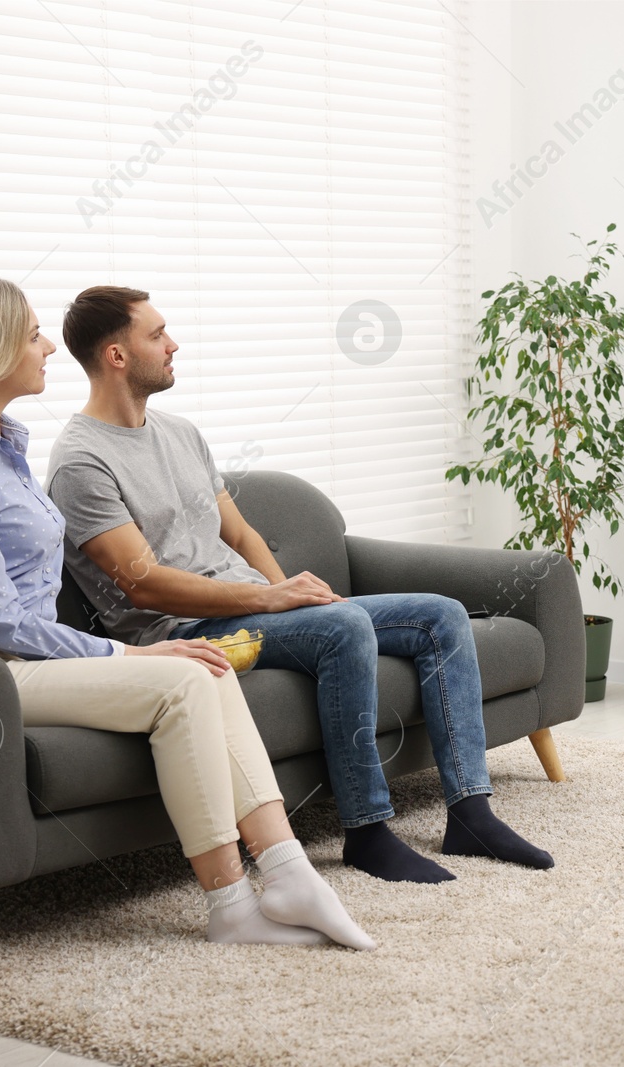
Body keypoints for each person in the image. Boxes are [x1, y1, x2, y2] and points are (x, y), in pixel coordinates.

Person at [0, 276, 375, 950]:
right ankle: (232, 902)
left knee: (207, 667)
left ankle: (286, 870)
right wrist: (135, 652)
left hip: (18, 655)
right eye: (31, 335)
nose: (48, 345)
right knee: (182, 678)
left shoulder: (5, 454)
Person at [44, 286, 554, 886]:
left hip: (254, 611)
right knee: (342, 627)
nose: (172, 342)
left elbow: (241, 533)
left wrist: (293, 593)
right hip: (187, 633)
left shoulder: (180, 433)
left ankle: (469, 812)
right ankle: (366, 830)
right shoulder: (80, 462)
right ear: (116, 356)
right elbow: (145, 587)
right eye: (156, 334)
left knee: (440, 615)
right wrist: (271, 600)